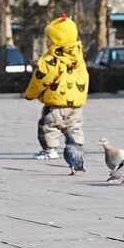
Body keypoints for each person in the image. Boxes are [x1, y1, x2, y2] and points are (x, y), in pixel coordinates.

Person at [25, 14, 89, 160]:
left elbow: (40, 80)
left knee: (48, 126)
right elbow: (84, 78)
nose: (47, 41)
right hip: (75, 105)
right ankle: (77, 148)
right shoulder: (79, 58)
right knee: (74, 126)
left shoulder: (50, 60)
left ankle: (50, 150)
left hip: (55, 103)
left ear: (57, 41)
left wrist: (30, 94)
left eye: (49, 38)